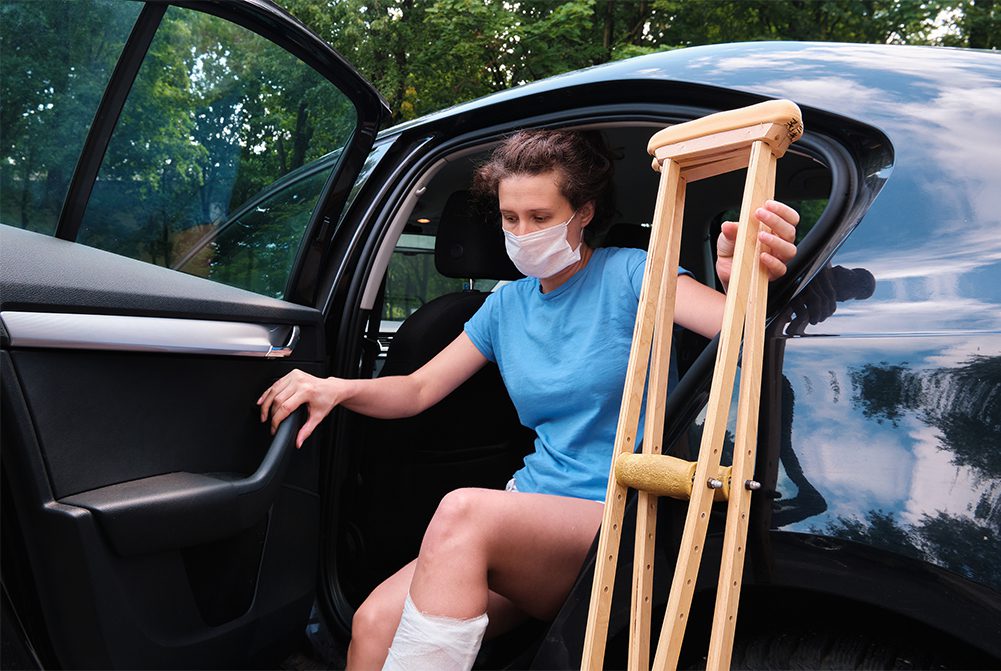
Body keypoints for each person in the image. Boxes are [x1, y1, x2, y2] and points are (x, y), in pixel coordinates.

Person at [257, 129, 800, 670]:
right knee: (373, 623)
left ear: (583, 212)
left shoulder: (634, 272)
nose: (521, 233)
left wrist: (739, 283)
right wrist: (335, 387)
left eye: (540, 218)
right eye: (509, 218)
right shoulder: (504, 304)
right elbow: (418, 388)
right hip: (533, 508)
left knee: (463, 511)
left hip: (619, 512)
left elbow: (741, 331)